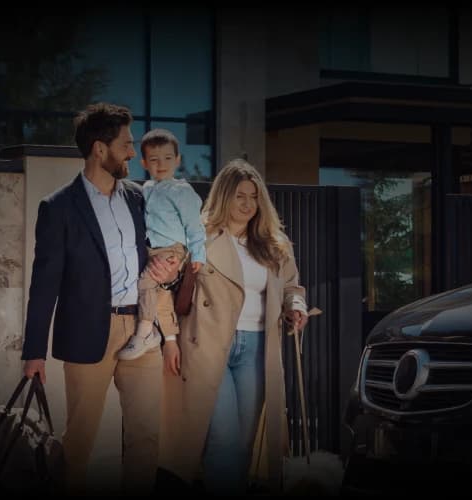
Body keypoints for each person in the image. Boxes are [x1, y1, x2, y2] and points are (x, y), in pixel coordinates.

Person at [19, 102, 181, 494]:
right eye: (125, 144)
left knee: (145, 439)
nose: (132, 153)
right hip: (88, 333)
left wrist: (170, 275)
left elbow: (160, 262)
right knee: (80, 443)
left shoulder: (140, 199)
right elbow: (44, 284)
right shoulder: (58, 207)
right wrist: (34, 351)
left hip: (142, 332)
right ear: (99, 149)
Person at [158, 158, 310, 495]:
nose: (247, 204)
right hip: (209, 347)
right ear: (224, 196)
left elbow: (291, 286)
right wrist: (170, 338)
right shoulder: (198, 237)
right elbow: (164, 286)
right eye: (240, 196)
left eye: (253, 197)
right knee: (223, 437)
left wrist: (295, 307)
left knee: (245, 441)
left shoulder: (273, 244)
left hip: (257, 348)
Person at [116, 128, 207, 362]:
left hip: (171, 249)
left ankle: (144, 331)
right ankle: (167, 335)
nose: (161, 164)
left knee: (146, 282)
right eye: (154, 160)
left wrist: (197, 255)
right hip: (151, 249)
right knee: (161, 295)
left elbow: (195, 227)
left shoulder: (182, 191)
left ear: (177, 160)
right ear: (145, 163)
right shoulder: (146, 188)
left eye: (168, 158)